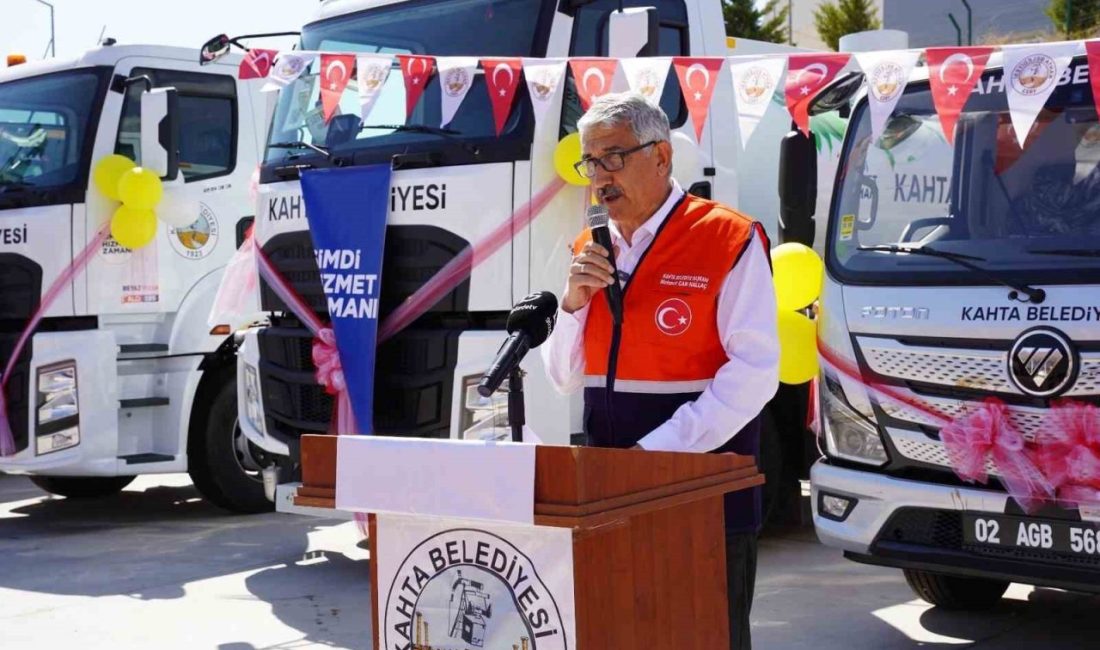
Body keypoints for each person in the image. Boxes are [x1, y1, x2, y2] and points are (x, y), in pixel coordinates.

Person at [541, 92, 779, 650]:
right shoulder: (590, 245)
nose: (599, 176)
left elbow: (755, 372)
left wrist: (655, 456)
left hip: (701, 497)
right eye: (589, 162)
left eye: (613, 157)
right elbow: (563, 379)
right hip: (608, 493)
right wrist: (572, 305)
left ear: (662, 157)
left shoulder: (727, 237)